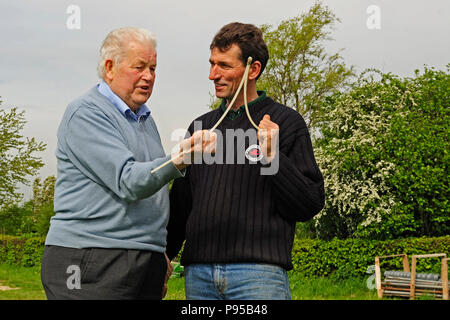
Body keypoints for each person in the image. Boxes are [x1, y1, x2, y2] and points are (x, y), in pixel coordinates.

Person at [41, 27, 216, 300]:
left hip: (141, 259)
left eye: (153, 68)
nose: (148, 76)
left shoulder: (145, 119)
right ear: (110, 68)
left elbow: (154, 191)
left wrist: (157, 253)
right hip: (91, 258)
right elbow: (129, 180)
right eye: (139, 67)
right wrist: (180, 159)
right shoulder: (86, 113)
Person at [166, 22, 325, 300]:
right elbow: (181, 205)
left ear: (253, 69)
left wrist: (274, 157)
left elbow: (310, 203)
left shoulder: (286, 123)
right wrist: (164, 255)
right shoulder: (201, 127)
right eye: (212, 64)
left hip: (258, 275)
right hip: (198, 276)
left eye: (224, 66)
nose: (212, 74)